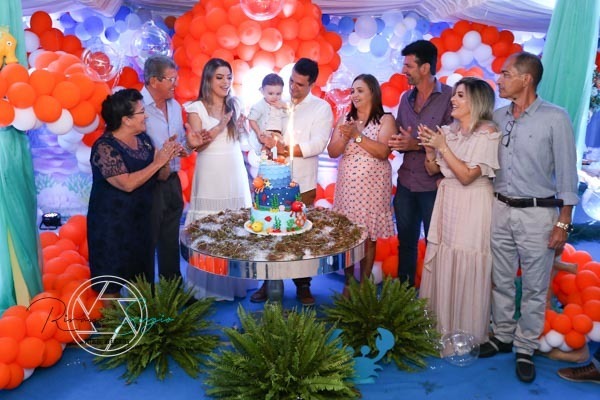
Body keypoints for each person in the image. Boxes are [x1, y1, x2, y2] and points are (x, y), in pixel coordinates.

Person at [479, 52, 579, 384]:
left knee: (536, 286)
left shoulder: (555, 118)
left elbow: (567, 174)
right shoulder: (498, 116)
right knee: (501, 279)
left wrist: (563, 222)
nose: (499, 80)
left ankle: (525, 347)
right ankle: (503, 335)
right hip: (500, 208)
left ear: (526, 79)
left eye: (505, 74)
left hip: (538, 214)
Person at [416, 77, 500, 343]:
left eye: (460, 95)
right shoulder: (449, 131)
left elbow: (466, 176)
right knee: (445, 256)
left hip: (473, 203)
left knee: (466, 261)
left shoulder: (487, 133)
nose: (452, 99)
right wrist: (430, 151)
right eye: (454, 95)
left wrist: (442, 147)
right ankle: (440, 328)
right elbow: (433, 170)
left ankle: (467, 334)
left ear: (477, 101)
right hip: (448, 201)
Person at [250, 58, 334, 306]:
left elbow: (318, 144)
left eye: (300, 84)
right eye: (291, 81)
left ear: (312, 84)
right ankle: (268, 281)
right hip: (271, 180)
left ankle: (303, 284)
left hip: (302, 183)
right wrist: (265, 140)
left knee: (300, 235)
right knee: (269, 232)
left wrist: (286, 149)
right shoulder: (278, 103)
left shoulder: (321, 108)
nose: (293, 88)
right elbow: (263, 130)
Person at [87, 89, 182, 299]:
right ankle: (113, 321)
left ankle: (143, 320)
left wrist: (166, 157)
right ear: (126, 120)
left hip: (141, 223)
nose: (146, 116)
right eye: (141, 112)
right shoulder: (104, 147)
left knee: (142, 280)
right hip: (112, 227)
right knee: (111, 284)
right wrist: (157, 162)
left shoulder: (144, 140)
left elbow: (161, 176)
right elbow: (127, 184)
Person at [183, 58, 256, 301]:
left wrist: (244, 127)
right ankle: (206, 288)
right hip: (210, 171)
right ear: (208, 79)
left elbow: (242, 142)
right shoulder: (196, 108)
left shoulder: (235, 104)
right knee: (209, 228)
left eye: (229, 77)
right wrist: (221, 124)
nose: (226, 82)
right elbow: (198, 146)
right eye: (220, 77)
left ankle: (235, 285)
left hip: (234, 168)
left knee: (235, 226)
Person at [388, 40, 453, 287]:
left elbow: (453, 143)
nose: (403, 70)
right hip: (406, 181)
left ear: (425, 68)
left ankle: (435, 298)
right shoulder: (406, 98)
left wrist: (413, 144)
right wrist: (394, 140)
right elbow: (400, 133)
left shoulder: (450, 97)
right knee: (406, 242)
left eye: (408, 66)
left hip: (434, 185)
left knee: (436, 244)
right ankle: (404, 297)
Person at [327, 74, 396, 297]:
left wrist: (357, 136)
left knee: (369, 238)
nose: (354, 95)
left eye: (360, 90)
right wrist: (345, 136)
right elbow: (333, 152)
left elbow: (383, 151)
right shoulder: (345, 119)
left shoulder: (385, 119)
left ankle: (364, 286)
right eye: (352, 91)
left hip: (373, 187)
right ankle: (349, 283)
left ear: (373, 93)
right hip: (348, 187)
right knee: (349, 236)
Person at [141, 55, 185, 284]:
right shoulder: (136, 106)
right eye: (170, 79)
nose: (175, 84)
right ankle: (146, 296)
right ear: (153, 81)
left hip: (173, 179)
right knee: (145, 242)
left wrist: (190, 144)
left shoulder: (175, 106)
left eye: (175, 79)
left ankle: (173, 292)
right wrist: (158, 164)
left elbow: (180, 143)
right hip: (148, 184)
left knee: (170, 240)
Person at [248, 73, 288, 158]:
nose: (275, 97)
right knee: (265, 150)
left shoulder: (282, 104)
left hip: (278, 135)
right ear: (262, 91)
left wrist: (284, 106)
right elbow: (252, 119)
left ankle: (274, 162)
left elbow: (291, 114)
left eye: (278, 94)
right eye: (271, 93)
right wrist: (258, 132)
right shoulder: (260, 105)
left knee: (277, 153)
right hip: (266, 132)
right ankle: (264, 162)